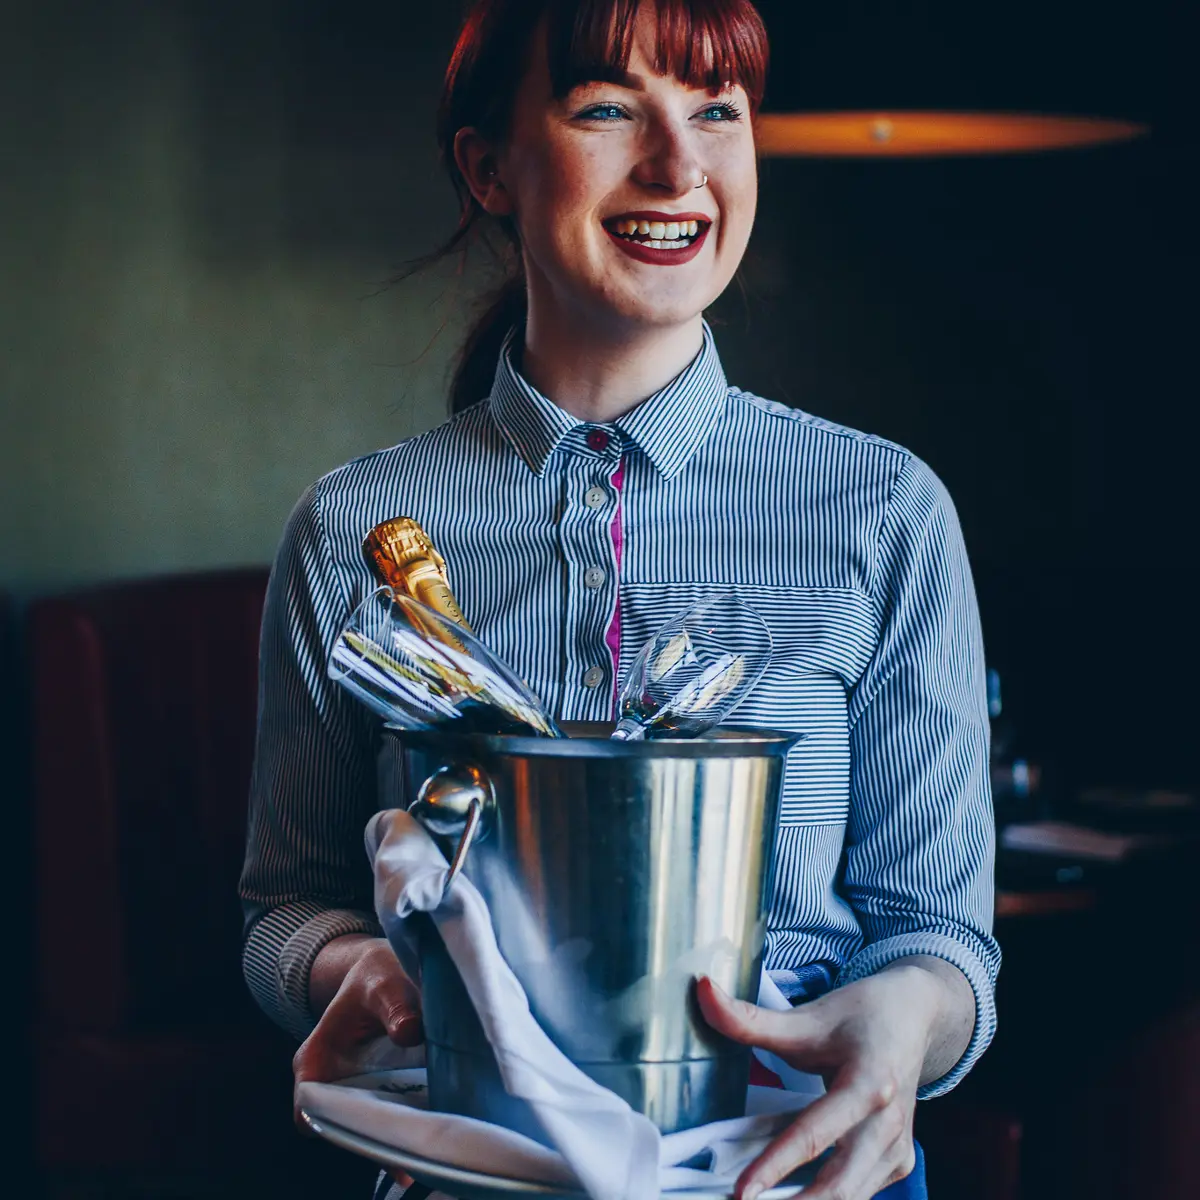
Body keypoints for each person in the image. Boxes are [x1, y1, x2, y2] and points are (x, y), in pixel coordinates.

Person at [239, 2, 1000, 1197]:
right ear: (487, 167)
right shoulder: (352, 533)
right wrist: (358, 972)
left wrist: (908, 1016)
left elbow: (942, 939)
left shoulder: (887, 510)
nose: (679, 165)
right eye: (607, 109)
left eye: (717, 111)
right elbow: (285, 909)